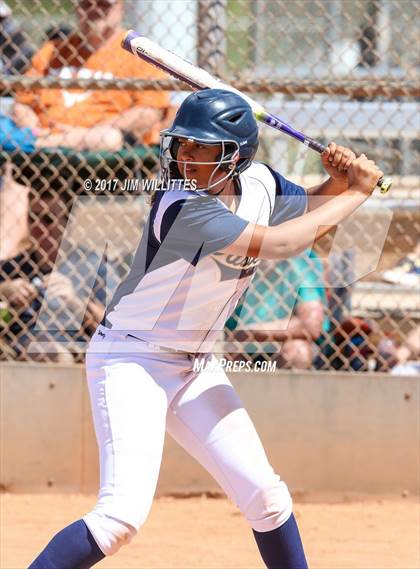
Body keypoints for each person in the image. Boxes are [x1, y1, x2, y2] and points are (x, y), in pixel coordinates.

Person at [28, 88, 383, 568]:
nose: (185, 156)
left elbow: (306, 211)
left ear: (235, 157)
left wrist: (337, 182)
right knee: (121, 516)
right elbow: (280, 243)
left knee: (266, 497)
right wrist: (359, 193)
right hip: (132, 359)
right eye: (182, 144)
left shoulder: (258, 182)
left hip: (194, 364)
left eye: (201, 147)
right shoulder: (181, 206)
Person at [14, 0, 176, 151]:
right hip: (44, 135)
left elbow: (150, 112)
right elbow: (22, 103)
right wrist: (34, 129)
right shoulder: (53, 51)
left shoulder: (139, 54)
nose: (94, 10)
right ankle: (40, 142)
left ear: (121, 7)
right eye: (86, 4)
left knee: (108, 138)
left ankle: (42, 144)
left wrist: (84, 132)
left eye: (103, 4)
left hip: (99, 142)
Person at [225, 249, 330, 369]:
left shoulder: (303, 259)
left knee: (298, 351)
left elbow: (311, 325)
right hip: (239, 348)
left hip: (283, 344)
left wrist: (252, 333)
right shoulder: (233, 258)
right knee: (224, 351)